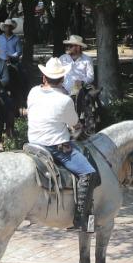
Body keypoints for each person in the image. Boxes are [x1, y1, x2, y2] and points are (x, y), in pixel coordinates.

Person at [25, 56, 98, 231]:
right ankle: (80, 219)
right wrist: (81, 127)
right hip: (55, 148)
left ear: (44, 78)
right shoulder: (65, 100)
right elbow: (74, 125)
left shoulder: (33, 92)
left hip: (33, 144)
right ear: (63, 79)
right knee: (89, 173)